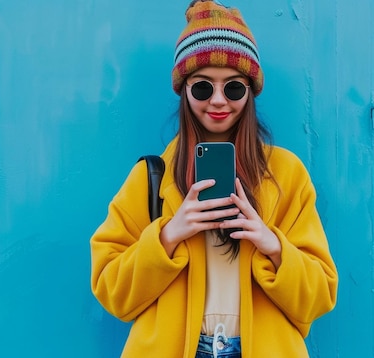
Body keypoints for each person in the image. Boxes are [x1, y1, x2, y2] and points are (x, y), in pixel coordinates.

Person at [90, 1, 338, 357]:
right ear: (184, 90)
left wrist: (273, 245)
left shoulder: (286, 175)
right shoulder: (151, 177)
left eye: (234, 88)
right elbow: (110, 288)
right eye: (203, 88)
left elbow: (320, 295)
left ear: (250, 91)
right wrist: (168, 235)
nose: (219, 101)